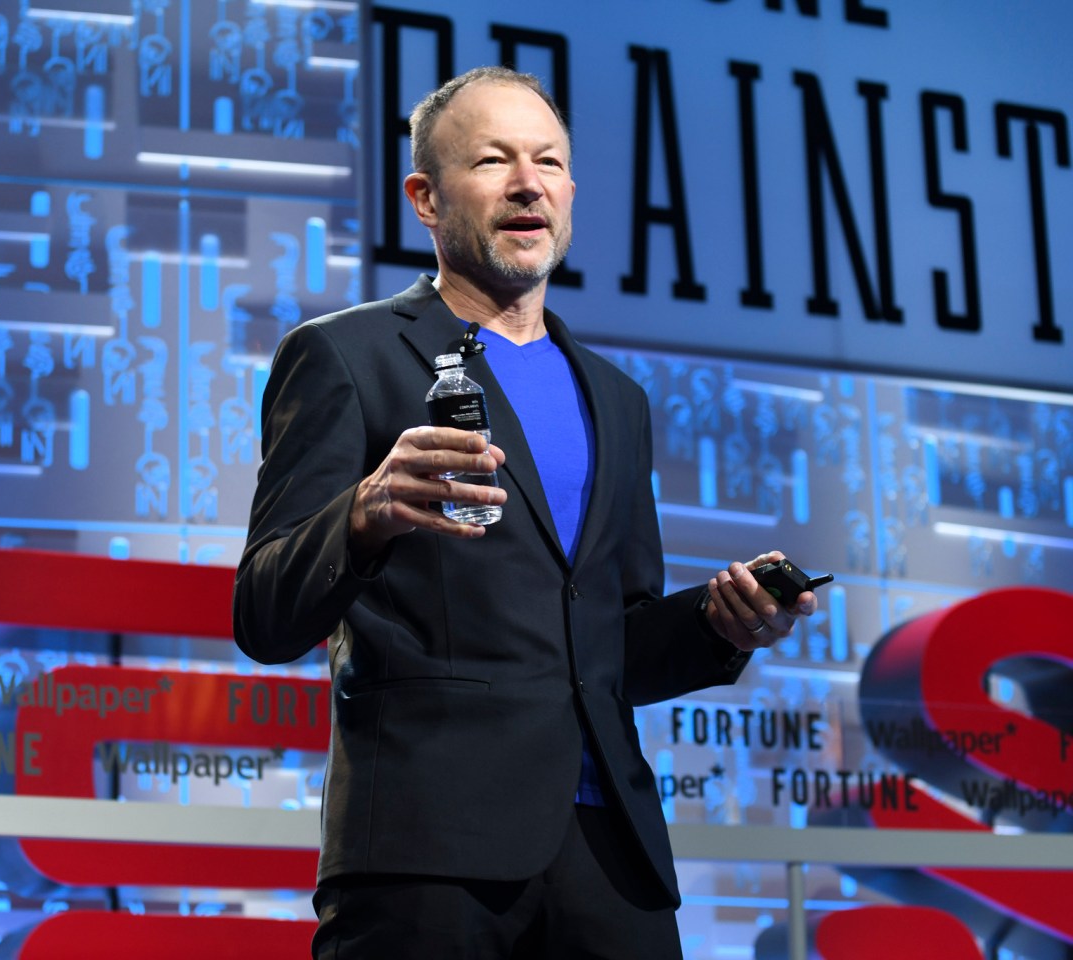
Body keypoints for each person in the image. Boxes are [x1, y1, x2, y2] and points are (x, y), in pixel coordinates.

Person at [233, 66, 819, 959]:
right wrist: (364, 512)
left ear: (571, 193)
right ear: (424, 199)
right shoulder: (345, 357)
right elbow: (264, 613)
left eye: (548, 160)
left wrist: (721, 625)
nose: (526, 181)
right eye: (493, 160)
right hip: (428, 855)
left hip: (611, 858)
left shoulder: (618, 399)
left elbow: (608, 647)